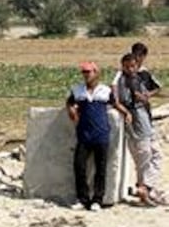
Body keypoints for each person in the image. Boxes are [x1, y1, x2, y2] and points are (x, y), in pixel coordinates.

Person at [66, 62, 132, 211]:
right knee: (79, 166)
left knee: (100, 169)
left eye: (89, 72)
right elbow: (70, 102)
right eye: (84, 72)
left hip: (101, 134)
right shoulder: (78, 90)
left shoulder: (105, 90)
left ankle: (97, 199)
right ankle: (82, 199)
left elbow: (115, 104)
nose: (86, 75)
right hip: (83, 134)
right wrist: (71, 110)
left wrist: (126, 113)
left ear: (96, 73)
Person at [115, 53, 163, 206]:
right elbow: (118, 100)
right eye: (128, 66)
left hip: (145, 121)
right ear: (123, 66)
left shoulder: (139, 78)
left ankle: (145, 187)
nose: (131, 69)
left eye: (133, 66)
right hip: (137, 123)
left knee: (155, 155)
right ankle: (144, 189)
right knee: (144, 158)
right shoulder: (122, 81)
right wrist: (127, 111)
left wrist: (146, 96)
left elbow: (155, 89)